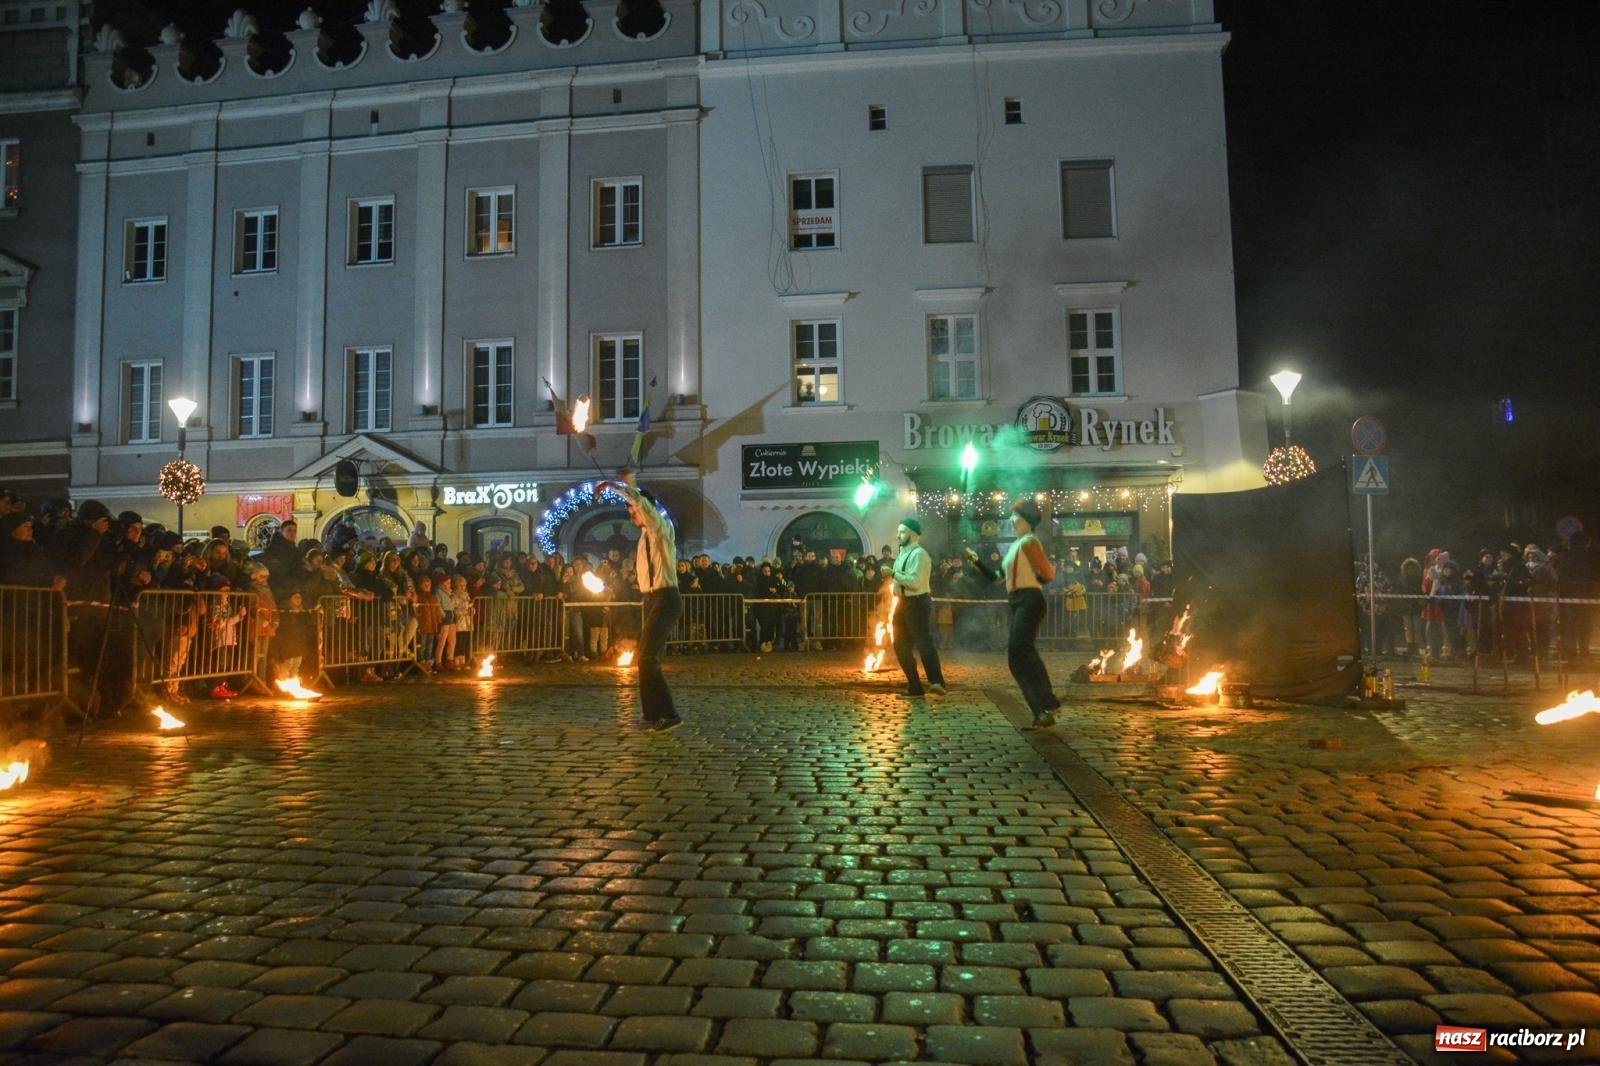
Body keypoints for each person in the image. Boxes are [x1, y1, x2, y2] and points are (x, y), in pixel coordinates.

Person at [595, 472, 683, 731]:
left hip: (666, 598)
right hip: (653, 599)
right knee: (643, 658)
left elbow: (642, 504)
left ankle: (669, 714)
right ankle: (651, 714)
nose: (631, 514)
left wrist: (622, 486)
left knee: (648, 658)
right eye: (629, 510)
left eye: (633, 510)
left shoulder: (660, 529)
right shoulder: (644, 537)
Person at [965, 500, 1060, 728]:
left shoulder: (1028, 541)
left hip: (1029, 599)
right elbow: (997, 577)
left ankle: (1047, 700)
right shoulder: (1015, 546)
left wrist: (1033, 581)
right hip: (1018, 600)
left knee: (1022, 650)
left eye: (1015, 515)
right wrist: (977, 562)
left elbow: (1047, 574)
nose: (1011, 519)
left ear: (1027, 519)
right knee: (1015, 659)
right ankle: (1041, 710)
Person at [888, 517, 946, 698]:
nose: (898, 535)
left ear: (913, 534)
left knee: (923, 642)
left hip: (917, 602)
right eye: (898, 532)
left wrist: (892, 574)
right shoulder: (902, 554)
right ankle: (914, 686)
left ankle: (937, 682)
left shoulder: (919, 554)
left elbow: (915, 582)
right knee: (900, 644)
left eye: (902, 532)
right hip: (903, 603)